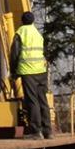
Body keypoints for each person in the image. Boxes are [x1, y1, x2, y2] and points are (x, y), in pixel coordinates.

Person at [10, 10, 52, 138]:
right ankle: (47, 131)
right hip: (41, 71)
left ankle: (36, 131)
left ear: (22, 21)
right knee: (43, 101)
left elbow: (14, 54)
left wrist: (13, 72)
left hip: (28, 72)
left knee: (32, 101)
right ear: (33, 20)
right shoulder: (38, 34)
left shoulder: (20, 33)